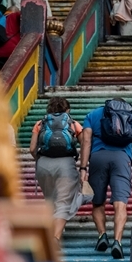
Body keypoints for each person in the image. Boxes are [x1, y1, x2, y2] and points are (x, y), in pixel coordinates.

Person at [80, 99, 132, 260]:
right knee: (120, 202)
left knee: (98, 202)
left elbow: (86, 141)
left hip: (97, 157)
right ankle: (117, 241)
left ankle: (102, 235)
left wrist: (83, 168)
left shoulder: (93, 114)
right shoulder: (131, 115)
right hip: (122, 158)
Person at [28, 97, 85, 240]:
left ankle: (53, 229)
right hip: (66, 164)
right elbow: (86, 145)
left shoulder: (40, 124)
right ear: (68, 110)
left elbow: (32, 148)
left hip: (43, 165)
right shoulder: (73, 124)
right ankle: (55, 237)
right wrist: (83, 167)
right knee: (64, 202)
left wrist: (39, 160)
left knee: (50, 199)